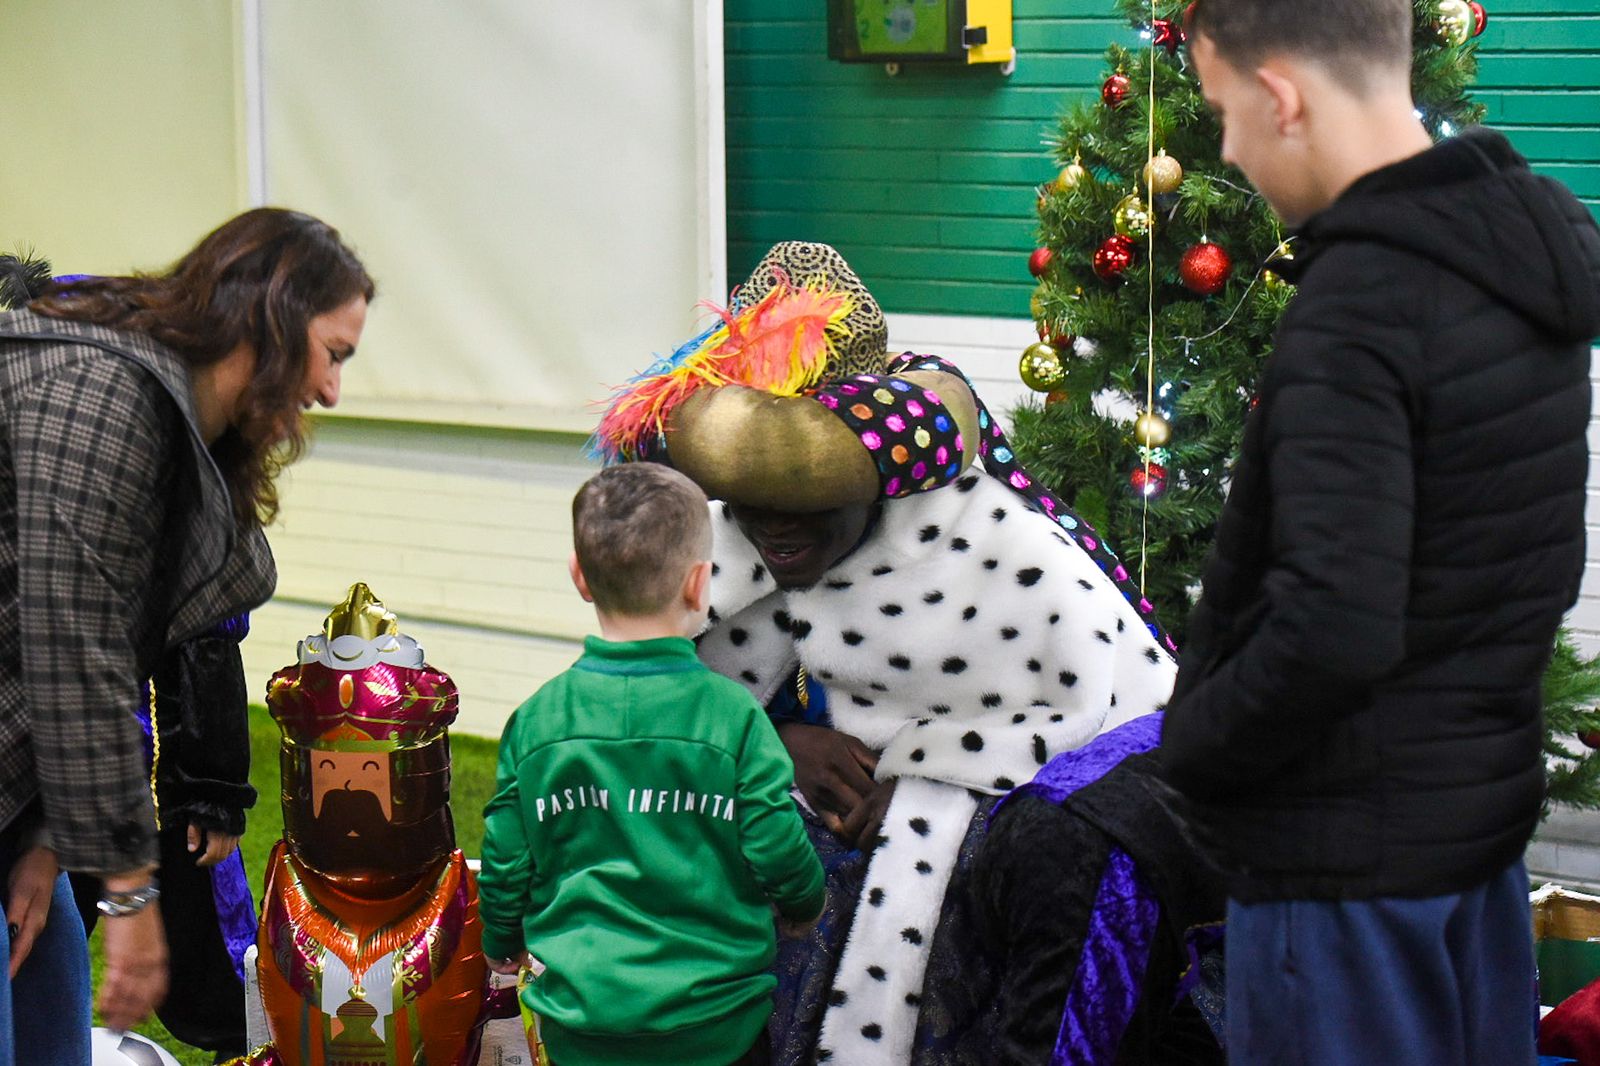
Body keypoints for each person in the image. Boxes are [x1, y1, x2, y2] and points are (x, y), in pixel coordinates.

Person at [594, 242, 1179, 1064]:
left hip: (998, 809)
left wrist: (922, 774)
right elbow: (647, 687)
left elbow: (1081, 714)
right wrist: (767, 742)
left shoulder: (1002, 550)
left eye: (809, 498)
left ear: (877, 483)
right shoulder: (725, 541)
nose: (777, 527)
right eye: (754, 499)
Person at [1159, 3, 1600, 1063]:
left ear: (1281, 95)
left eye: (1222, 110)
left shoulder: (1362, 301)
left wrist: (1192, 747)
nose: (1225, 149)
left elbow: (1333, 626)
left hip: (1342, 863)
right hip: (1471, 833)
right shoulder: (1515, 253)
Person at [0, 207, 373, 1065]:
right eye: (335, 353)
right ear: (272, 319)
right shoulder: (100, 394)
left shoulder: (171, 420)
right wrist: (130, 907)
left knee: (49, 1013)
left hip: (21, 797)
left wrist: (50, 836)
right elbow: (76, 651)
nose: (330, 391)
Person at [477, 462, 827, 1066]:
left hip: (583, 1030)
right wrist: (804, 904)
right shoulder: (734, 718)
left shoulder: (536, 722)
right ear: (699, 584)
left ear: (580, 578)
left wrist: (501, 942)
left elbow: (507, 858)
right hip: (719, 1030)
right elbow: (775, 839)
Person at [67, 615, 257, 1063]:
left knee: (222, 984)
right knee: (32, 958)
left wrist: (215, 792)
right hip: (61, 790)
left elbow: (212, 656)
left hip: (166, 800)